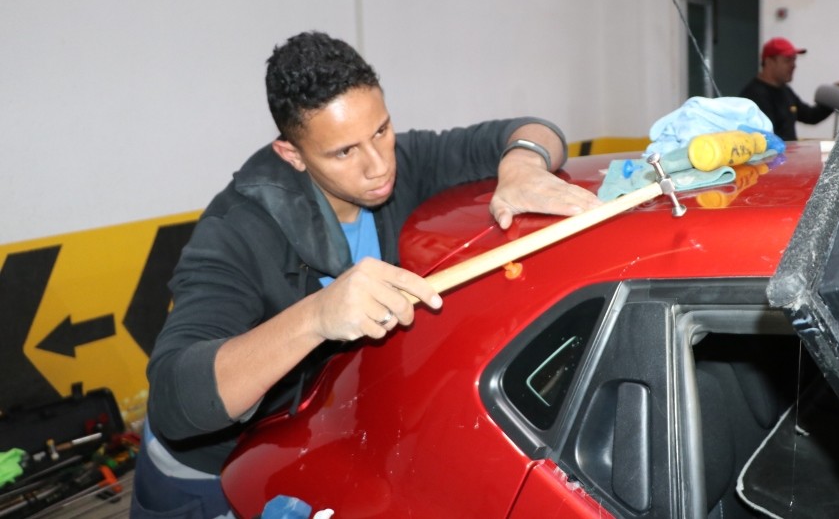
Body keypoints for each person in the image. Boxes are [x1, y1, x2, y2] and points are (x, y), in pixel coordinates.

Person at [131, 32, 601, 517]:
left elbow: (531, 129)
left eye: (381, 129)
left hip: (301, 446)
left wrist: (522, 164)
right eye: (344, 152)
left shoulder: (401, 165)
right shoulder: (237, 232)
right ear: (292, 154)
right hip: (206, 473)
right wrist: (316, 316)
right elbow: (173, 397)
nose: (379, 166)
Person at [739, 37, 834, 141]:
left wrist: (834, 98)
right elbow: (767, 138)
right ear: (769, 62)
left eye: (794, 60)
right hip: (773, 157)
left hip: (788, 156)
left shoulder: (785, 91)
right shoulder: (754, 95)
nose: (793, 66)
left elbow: (810, 116)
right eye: (787, 60)